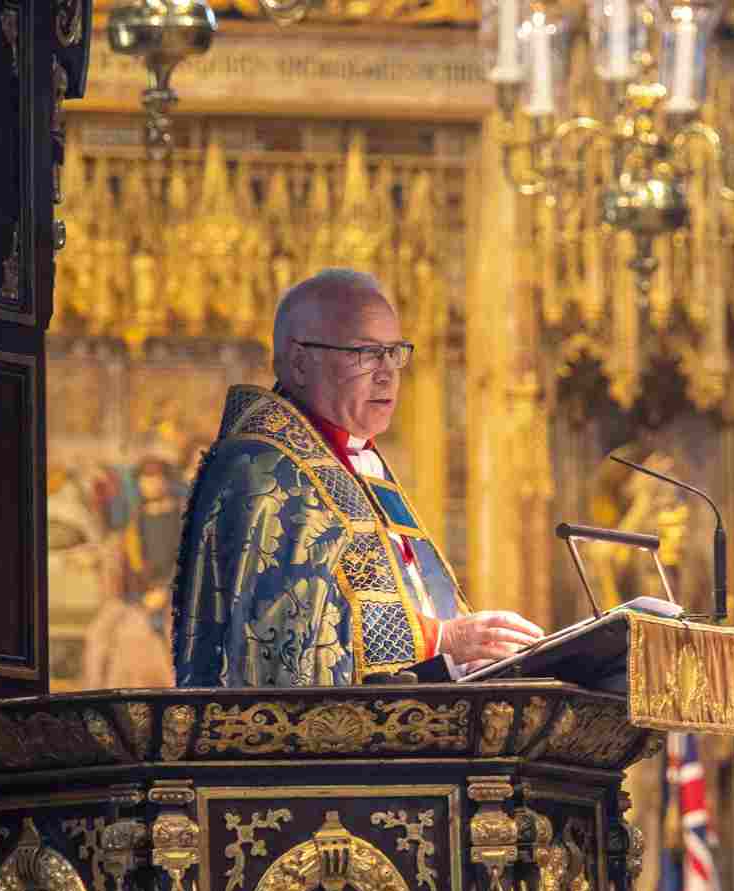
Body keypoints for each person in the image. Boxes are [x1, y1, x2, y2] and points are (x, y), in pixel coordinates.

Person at [173, 268, 543, 687]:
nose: (387, 373)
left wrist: (474, 658)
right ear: (300, 362)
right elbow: (280, 644)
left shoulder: (354, 459)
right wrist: (443, 638)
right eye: (365, 353)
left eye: (394, 352)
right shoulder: (264, 471)